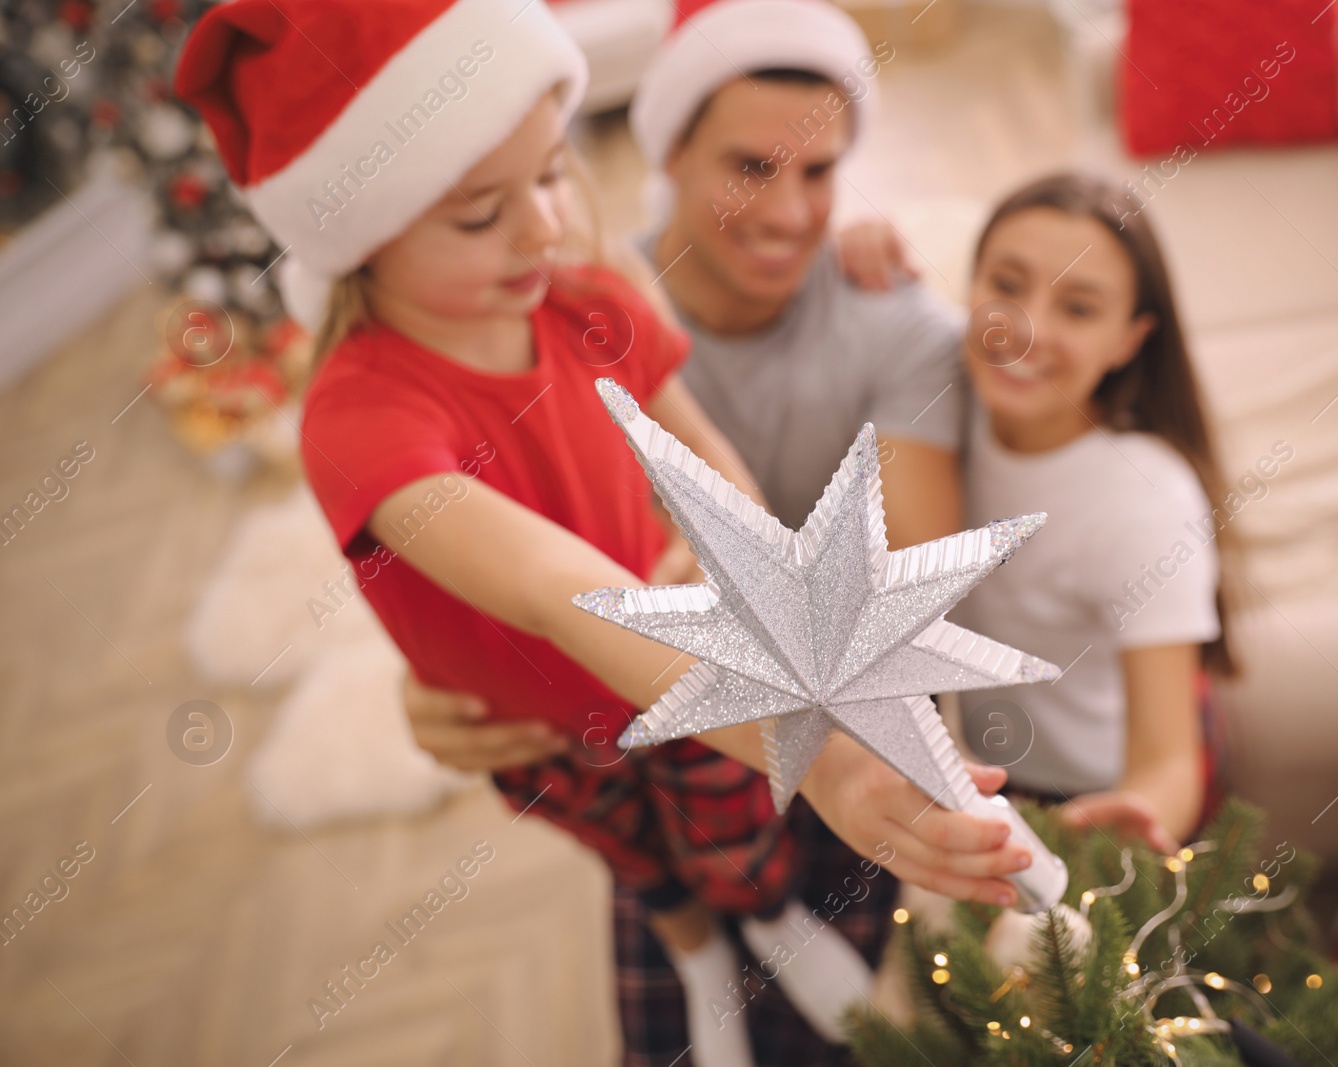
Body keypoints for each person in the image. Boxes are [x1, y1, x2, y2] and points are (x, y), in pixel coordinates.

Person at [174, 4, 1027, 1066]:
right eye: (482, 213)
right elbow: (549, 587)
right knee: (634, 856)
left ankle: (762, 918)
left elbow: (715, 469)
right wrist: (808, 748)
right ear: (361, 230)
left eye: (550, 175)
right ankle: (697, 949)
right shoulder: (359, 419)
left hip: (689, 683)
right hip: (543, 730)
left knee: (732, 841)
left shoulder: (589, 303)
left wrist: (797, 678)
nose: (541, 227)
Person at [399, 3, 977, 1065]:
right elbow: (488, 549)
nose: (792, 212)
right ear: (664, 144)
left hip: (840, 727)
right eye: (751, 166)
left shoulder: (899, 325)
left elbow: (905, 612)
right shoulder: (551, 316)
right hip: (657, 739)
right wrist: (439, 677)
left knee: (837, 1043)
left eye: (822, 172)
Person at [952, 173, 1237, 851]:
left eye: (1078, 308)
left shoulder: (1146, 503)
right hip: (976, 764)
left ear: (1129, 340)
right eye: (1006, 285)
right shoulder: (934, 396)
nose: (1025, 330)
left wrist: (1129, 819)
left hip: (1089, 791)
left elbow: (1169, 758)